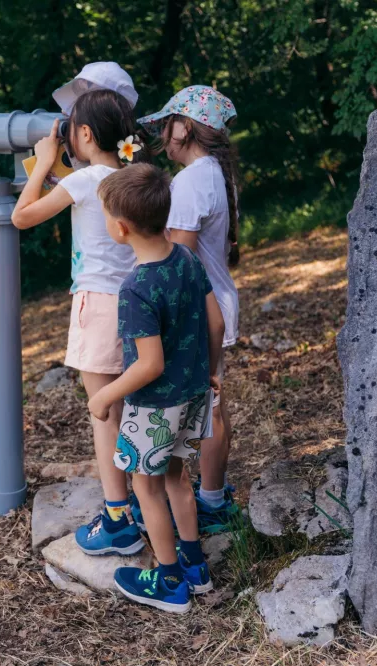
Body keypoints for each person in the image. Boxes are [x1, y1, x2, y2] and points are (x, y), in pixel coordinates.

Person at [12, 89, 152, 557]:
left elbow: (21, 216)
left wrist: (45, 157)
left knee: (104, 413)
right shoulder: (129, 175)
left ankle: (118, 517)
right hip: (137, 301)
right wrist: (61, 173)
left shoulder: (85, 179)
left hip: (98, 305)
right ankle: (147, 504)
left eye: (70, 129)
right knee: (134, 408)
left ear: (85, 134)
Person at [89, 163, 225, 613]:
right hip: (192, 395)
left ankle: (168, 581)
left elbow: (149, 365)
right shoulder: (186, 259)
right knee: (177, 479)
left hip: (154, 408)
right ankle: (195, 566)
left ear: (122, 228)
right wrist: (213, 368)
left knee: (145, 489)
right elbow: (216, 321)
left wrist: (106, 394)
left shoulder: (136, 289)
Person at [138, 86, 241, 533]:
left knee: (207, 407)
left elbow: (177, 261)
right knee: (214, 403)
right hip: (214, 301)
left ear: (184, 127)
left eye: (167, 123)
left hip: (198, 310)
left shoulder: (192, 181)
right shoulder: (213, 172)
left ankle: (206, 505)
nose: (163, 133)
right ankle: (213, 496)